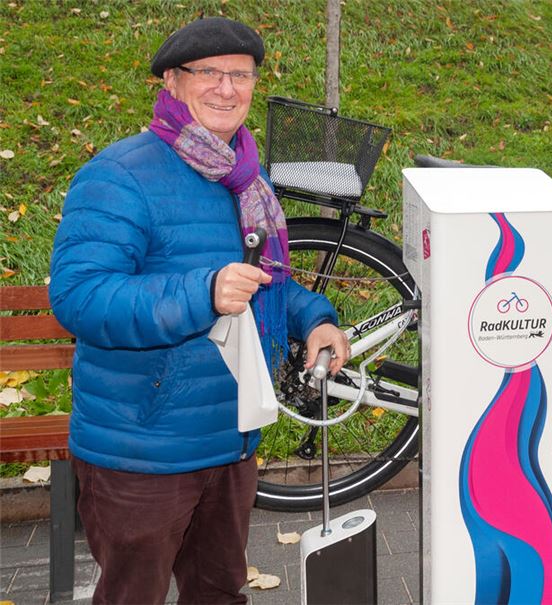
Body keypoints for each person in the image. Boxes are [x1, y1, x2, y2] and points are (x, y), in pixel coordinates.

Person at [49, 17, 350, 604]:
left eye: (241, 75)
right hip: (141, 451)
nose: (226, 88)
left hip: (229, 440)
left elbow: (265, 284)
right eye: (208, 72)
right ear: (172, 81)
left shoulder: (247, 178)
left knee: (219, 594)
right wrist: (202, 292)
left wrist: (314, 318)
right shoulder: (118, 175)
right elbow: (80, 297)